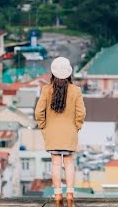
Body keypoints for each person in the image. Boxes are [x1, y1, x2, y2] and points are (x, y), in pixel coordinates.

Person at [35, 56, 86, 207]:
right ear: (69, 73)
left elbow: (39, 112)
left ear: (53, 73)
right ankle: (70, 194)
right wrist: (76, 127)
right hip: (69, 132)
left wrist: (44, 127)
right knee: (69, 163)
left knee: (56, 163)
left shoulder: (46, 90)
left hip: (52, 134)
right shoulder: (76, 90)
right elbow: (81, 113)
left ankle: (58, 196)